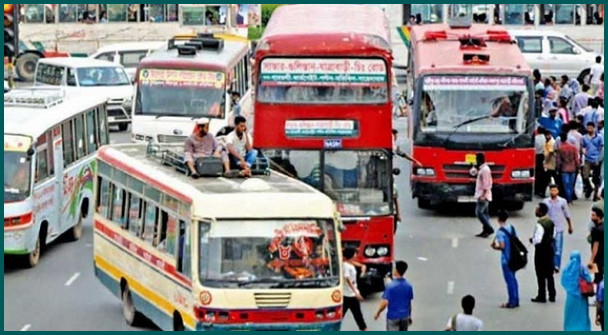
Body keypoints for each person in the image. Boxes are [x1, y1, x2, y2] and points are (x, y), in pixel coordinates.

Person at [373, 261, 414, 331]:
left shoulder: (390, 286)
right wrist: (409, 316)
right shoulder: (408, 286)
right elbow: (409, 302)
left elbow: (385, 302)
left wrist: (378, 312)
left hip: (393, 316)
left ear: (396, 270)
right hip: (404, 316)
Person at [491, 210, 519, 308]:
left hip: (506, 259)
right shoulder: (511, 228)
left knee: (509, 281)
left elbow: (502, 246)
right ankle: (516, 299)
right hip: (514, 258)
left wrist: (495, 247)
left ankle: (511, 302)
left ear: (498, 219)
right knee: (514, 279)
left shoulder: (500, 232)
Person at [543, 185, 573, 274]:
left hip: (559, 228)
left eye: (555, 190)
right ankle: (549, 265)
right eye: (551, 190)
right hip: (548, 229)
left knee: (558, 249)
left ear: (558, 191)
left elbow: (567, 214)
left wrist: (570, 226)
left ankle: (556, 265)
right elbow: (542, 214)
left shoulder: (562, 202)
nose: (553, 192)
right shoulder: (545, 202)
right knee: (549, 248)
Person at [530, 202, 556, 303]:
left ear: (540, 211)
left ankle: (542, 295)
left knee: (540, 273)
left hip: (541, 251)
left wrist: (532, 240)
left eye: (537, 209)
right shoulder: (550, 222)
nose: (535, 211)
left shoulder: (540, 224)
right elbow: (554, 234)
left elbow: (538, 239)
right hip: (549, 249)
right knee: (549, 273)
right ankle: (552, 294)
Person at [561, 251, 593, 331]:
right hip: (582, 296)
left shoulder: (567, 269)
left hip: (571, 297)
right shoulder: (582, 268)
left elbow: (563, 280)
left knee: (571, 314)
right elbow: (589, 279)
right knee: (582, 314)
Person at [342, 247, 367, 331]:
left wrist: (362, 266)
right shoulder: (346, 266)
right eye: (355, 253)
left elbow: (354, 263)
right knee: (358, 315)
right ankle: (364, 329)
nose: (356, 255)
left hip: (348, 295)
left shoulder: (348, 263)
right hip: (349, 295)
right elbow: (347, 279)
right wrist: (356, 292)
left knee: (357, 315)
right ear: (352, 255)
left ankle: (364, 328)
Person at [556, 133, 581, 204]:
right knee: (571, 184)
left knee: (566, 185)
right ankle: (570, 198)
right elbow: (576, 159)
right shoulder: (573, 148)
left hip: (564, 168)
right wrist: (578, 167)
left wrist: (558, 168)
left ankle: (568, 199)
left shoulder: (560, 148)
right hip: (573, 168)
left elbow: (558, 160)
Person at [582, 122, 604, 200]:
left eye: (591, 128)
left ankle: (596, 194)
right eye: (588, 128)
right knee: (585, 176)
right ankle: (589, 188)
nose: (589, 129)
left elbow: (601, 147)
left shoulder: (599, 137)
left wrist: (600, 157)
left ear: (594, 128)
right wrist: (584, 151)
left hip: (597, 159)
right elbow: (583, 146)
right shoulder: (584, 137)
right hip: (588, 159)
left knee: (596, 178)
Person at [474, 153, 494, 238]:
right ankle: (485, 231)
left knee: (479, 213)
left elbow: (486, 184)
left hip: (483, 195)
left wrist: (483, 195)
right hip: (483, 194)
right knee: (485, 213)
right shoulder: (483, 169)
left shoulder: (485, 170)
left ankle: (489, 228)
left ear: (479, 160)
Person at [589, 207, 604, 284]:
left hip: (598, 257)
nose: (591, 217)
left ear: (599, 217)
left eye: (593, 215)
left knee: (598, 278)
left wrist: (591, 259)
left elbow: (596, 245)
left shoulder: (596, 229)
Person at [541, 130, 557, 196]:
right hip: (549, 163)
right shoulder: (547, 142)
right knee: (547, 179)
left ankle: (551, 192)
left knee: (547, 179)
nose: (547, 136)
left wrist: (545, 162)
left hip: (551, 163)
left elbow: (550, 153)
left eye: (548, 135)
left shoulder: (552, 142)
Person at [535, 127, 547, 197]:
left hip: (536, 156)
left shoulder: (536, 138)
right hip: (542, 155)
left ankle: (537, 189)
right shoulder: (544, 138)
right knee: (542, 173)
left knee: (537, 173)